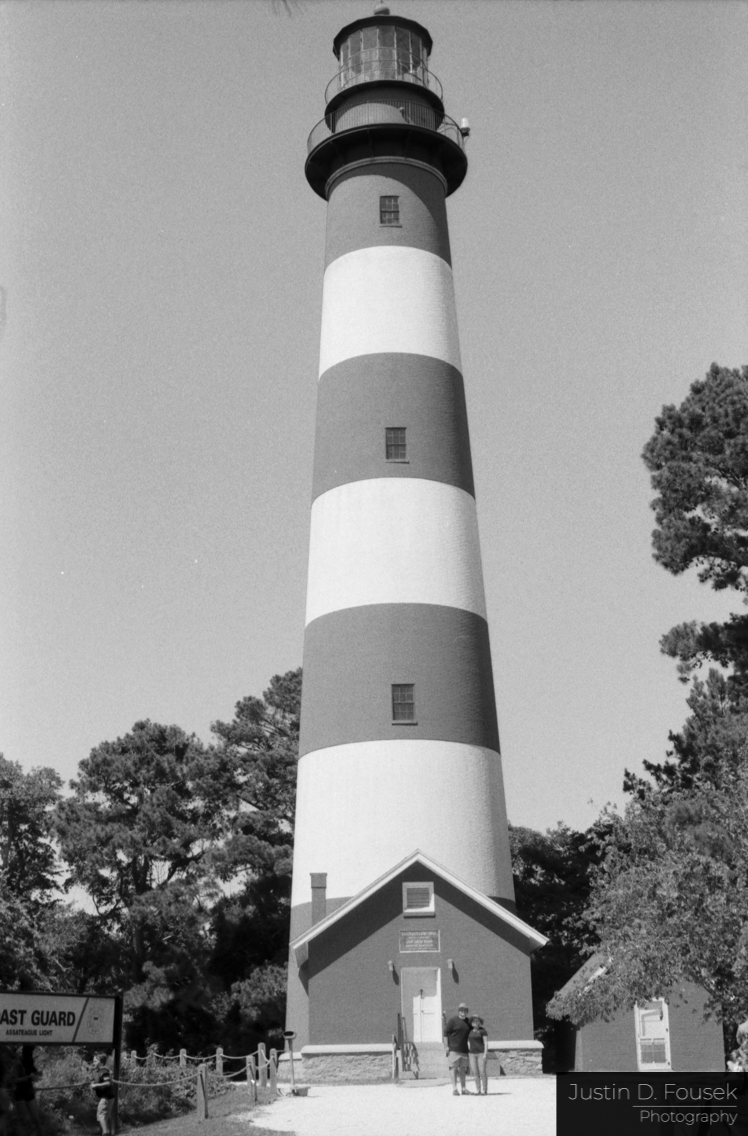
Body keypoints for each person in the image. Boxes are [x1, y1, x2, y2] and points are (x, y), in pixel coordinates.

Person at [11, 1046, 42, 1136]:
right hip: (19, 1094)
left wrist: (37, 1074)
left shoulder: (30, 1062)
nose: (31, 1054)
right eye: (30, 1052)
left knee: (36, 1119)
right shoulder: (17, 1063)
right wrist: (27, 1078)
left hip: (29, 1093)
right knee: (24, 1121)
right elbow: (13, 1080)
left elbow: (34, 1074)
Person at [443, 1002, 472, 1096]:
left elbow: (474, 1032)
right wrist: (446, 1046)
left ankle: (463, 1088)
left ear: (467, 1012)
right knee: (453, 1068)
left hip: (464, 1050)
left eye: (465, 1010)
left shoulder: (468, 1022)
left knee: (462, 1069)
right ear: (459, 1011)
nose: (463, 1012)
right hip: (453, 1049)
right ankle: (455, 1089)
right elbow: (445, 1034)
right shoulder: (453, 1020)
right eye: (461, 1010)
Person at [91, 1052, 115, 1136]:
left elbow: (108, 1083)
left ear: (101, 1062)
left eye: (95, 1061)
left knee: (101, 1115)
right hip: (108, 1097)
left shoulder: (103, 1071)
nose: (93, 1063)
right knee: (104, 1117)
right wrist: (95, 1086)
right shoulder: (100, 1071)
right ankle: (105, 1133)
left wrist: (96, 1085)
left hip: (106, 1097)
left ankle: (105, 1133)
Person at [468, 1015, 489, 1095]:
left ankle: (485, 1089)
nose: (475, 1023)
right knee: (475, 1072)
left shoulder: (483, 1031)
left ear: (479, 1022)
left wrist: (485, 1053)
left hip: (481, 1053)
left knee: (482, 1071)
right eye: (473, 1021)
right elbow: (468, 1041)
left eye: (477, 1021)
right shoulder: (470, 1031)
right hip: (472, 1054)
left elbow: (486, 1043)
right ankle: (478, 1089)